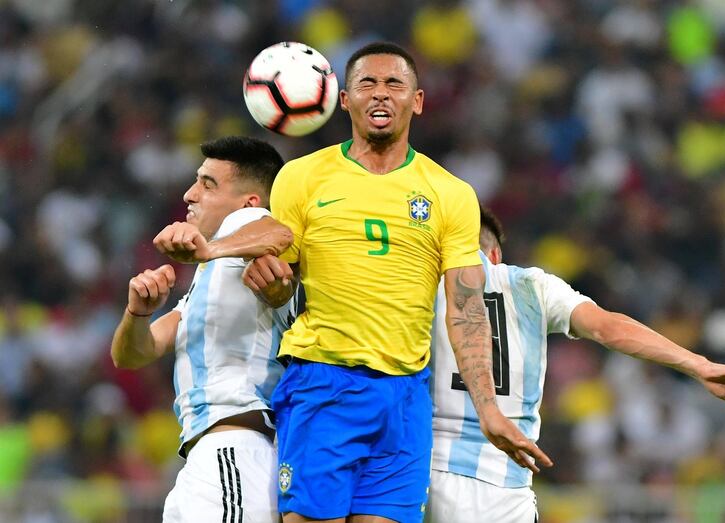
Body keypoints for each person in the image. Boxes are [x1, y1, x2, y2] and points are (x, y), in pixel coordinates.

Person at [220, 41, 547, 523]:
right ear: (344, 100)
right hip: (323, 381)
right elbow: (282, 286)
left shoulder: (451, 194)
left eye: (394, 83)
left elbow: (465, 310)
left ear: (416, 100)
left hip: (406, 399)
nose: (380, 94)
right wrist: (271, 284)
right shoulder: (301, 177)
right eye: (366, 84)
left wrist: (489, 411)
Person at [424, 206, 725, 523]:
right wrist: (699, 365)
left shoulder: (420, 287)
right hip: (503, 485)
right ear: (495, 254)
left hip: (421, 472)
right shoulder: (531, 285)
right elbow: (607, 327)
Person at [110, 136, 296, 523]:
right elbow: (130, 354)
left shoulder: (245, 229)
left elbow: (280, 232)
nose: (189, 193)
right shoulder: (211, 273)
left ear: (249, 201)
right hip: (205, 456)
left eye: (208, 184)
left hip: (236, 449)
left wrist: (207, 249)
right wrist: (137, 313)